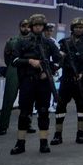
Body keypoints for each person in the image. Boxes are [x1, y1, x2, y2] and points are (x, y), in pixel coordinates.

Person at [9, 14, 61, 155]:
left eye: (40, 25)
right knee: (24, 113)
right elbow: (13, 61)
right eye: (36, 25)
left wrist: (49, 70)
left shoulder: (49, 43)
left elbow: (58, 60)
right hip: (27, 82)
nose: (38, 27)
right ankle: (20, 143)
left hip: (43, 83)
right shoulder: (21, 42)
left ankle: (43, 143)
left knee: (44, 112)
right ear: (31, 27)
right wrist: (29, 61)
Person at [52, 17, 83, 145]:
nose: (78, 29)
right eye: (76, 27)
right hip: (66, 79)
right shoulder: (64, 42)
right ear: (72, 28)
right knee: (60, 107)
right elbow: (59, 59)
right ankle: (57, 134)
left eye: (81, 27)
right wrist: (56, 65)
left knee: (81, 107)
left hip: (81, 80)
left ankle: (80, 134)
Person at [0, 19, 30, 136]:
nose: (26, 28)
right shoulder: (11, 41)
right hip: (14, 69)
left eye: (28, 26)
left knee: (27, 100)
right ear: (20, 27)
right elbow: (7, 58)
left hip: (28, 70)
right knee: (8, 99)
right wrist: (12, 67)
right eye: (23, 26)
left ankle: (27, 124)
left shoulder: (34, 41)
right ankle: (3, 126)